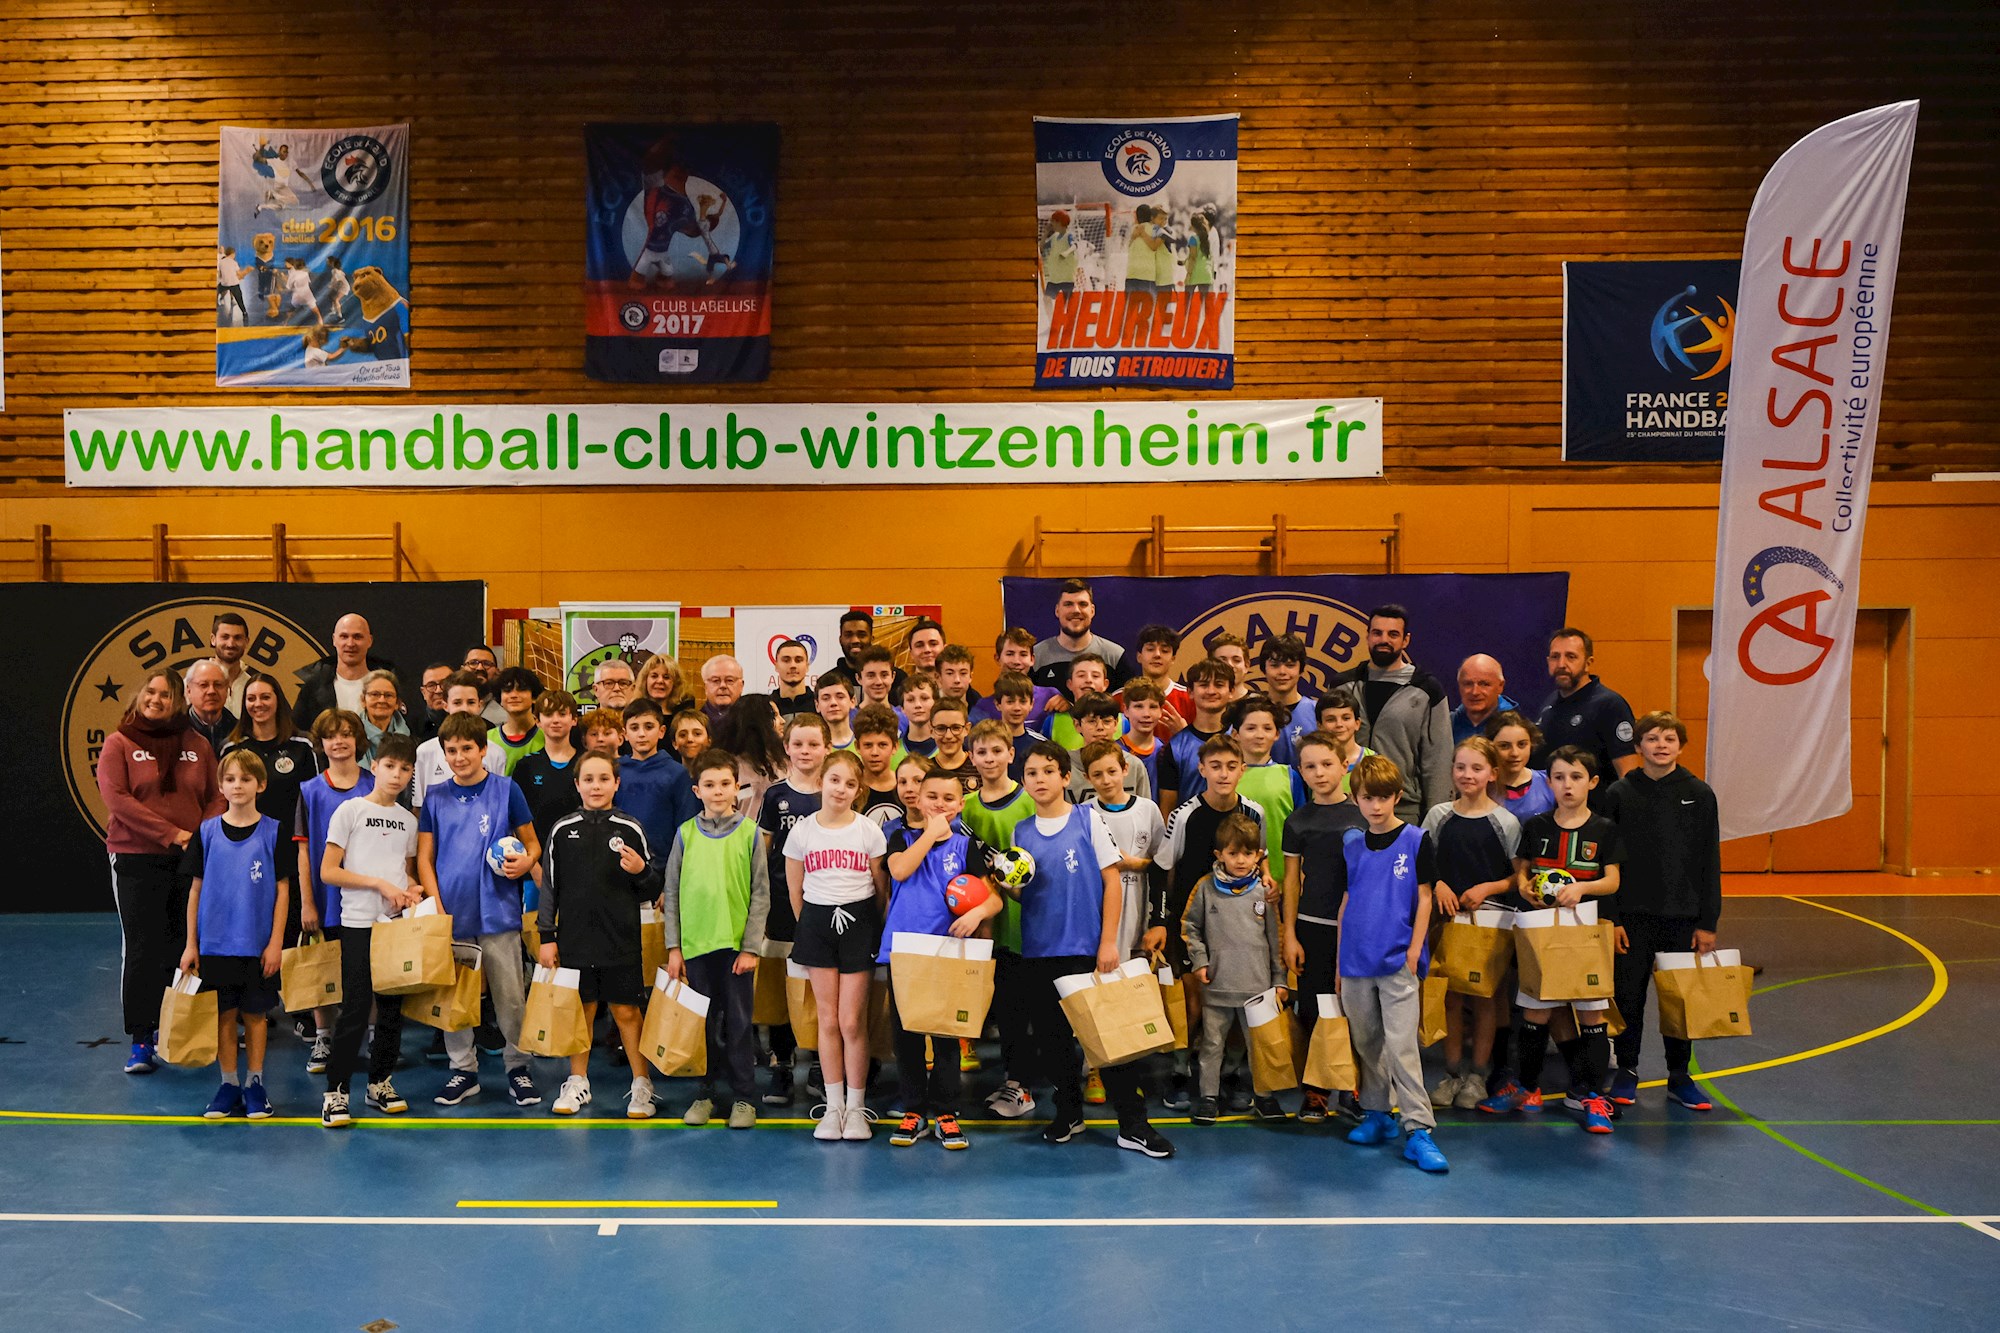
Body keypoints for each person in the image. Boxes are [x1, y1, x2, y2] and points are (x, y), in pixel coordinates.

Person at [1005, 742, 1173, 1158]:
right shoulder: (1020, 832)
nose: (1040, 779)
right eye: (1031, 773)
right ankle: (1068, 1113)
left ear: (1066, 777)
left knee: (1109, 1042)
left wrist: (1107, 942)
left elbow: (1112, 881)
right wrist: (1007, 884)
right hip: (1039, 950)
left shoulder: (1088, 819)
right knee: (1053, 1041)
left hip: (1086, 949)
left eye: (1048, 771)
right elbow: (1024, 894)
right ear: (1023, 781)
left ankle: (1133, 1124)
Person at [1479, 746, 1622, 1132]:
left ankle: (1592, 1096)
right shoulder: (1538, 826)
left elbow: (1613, 880)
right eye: (1558, 777)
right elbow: (1523, 871)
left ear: (1592, 782)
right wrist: (1526, 886)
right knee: (1535, 1011)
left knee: (1591, 1013)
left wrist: (1582, 888)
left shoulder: (1604, 829)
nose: (1567, 785)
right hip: (1540, 929)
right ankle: (1528, 1088)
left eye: (1576, 777)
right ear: (1549, 783)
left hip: (1584, 930)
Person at [98, 668, 222, 1074]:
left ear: (178, 702)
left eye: (166, 695)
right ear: (139, 695)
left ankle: (173, 1032)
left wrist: (198, 837)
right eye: (150, 691)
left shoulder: (197, 744)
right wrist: (173, 834)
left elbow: (215, 797)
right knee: (143, 948)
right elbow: (118, 800)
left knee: (182, 946)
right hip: (136, 857)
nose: (156, 700)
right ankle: (140, 1038)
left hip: (188, 858)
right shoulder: (119, 743)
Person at [1600, 711, 1722, 1112]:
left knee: (1678, 999)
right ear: (1638, 746)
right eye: (1652, 738)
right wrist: (1612, 918)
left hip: (1682, 918)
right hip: (1631, 918)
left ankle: (1679, 1075)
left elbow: (1710, 861)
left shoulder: (1699, 793)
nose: (1661, 745)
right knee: (1628, 997)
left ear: (1681, 746)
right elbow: (1606, 862)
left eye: (1669, 738)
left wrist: (1708, 922)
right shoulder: (1619, 793)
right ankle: (1627, 1069)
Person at [882, 764, 1005, 1149]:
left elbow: (995, 899)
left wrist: (976, 913)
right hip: (905, 952)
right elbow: (900, 871)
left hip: (948, 952)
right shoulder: (900, 837)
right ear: (918, 799)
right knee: (906, 1035)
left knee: (946, 1036)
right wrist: (929, 834)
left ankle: (946, 1111)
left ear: (961, 804)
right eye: (931, 796)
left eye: (948, 798)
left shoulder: (965, 847)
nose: (939, 804)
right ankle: (914, 1109)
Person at [420, 714, 540, 1107]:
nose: (459, 757)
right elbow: (424, 858)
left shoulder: (507, 790)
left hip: (497, 910)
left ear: (483, 749)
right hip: (452, 913)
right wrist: (437, 907)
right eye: (451, 750)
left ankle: (518, 1067)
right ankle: (463, 1070)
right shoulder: (435, 797)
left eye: (467, 748)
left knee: (510, 995)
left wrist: (525, 863)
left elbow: (532, 845)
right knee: (455, 996)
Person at [1337, 754, 1448, 1173]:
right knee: (1367, 1042)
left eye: (1384, 797)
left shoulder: (1417, 840)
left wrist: (1415, 949)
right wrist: (1339, 961)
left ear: (1398, 797)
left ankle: (1418, 1129)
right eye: (1368, 798)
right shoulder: (1351, 844)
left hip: (1398, 957)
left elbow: (1425, 897)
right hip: (1355, 959)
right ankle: (1378, 1113)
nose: (1376, 805)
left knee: (1402, 1046)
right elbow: (1347, 901)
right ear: (1356, 799)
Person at [541, 750, 667, 1120]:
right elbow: (549, 887)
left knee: (626, 1010)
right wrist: (547, 935)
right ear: (577, 784)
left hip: (620, 939)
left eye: (604, 779)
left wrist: (641, 870)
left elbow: (652, 889)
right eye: (589, 779)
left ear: (616, 783)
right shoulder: (562, 830)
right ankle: (577, 1081)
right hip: (575, 940)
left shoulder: (630, 829)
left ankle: (642, 1084)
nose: (596, 786)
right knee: (581, 1009)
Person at [1150, 734, 1266, 1111]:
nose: (1223, 774)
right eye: (1215, 766)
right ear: (1202, 770)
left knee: (1236, 1003)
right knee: (1193, 1004)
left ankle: (1230, 1073)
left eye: (1231, 766)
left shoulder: (1254, 812)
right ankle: (1180, 1071)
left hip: (1239, 928)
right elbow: (1162, 868)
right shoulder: (1185, 814)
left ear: (1243, 770)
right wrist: (1161, 920)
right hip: (1192, 925)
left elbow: (1259, 858)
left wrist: (1267, 878)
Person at [660, 748, 770, 1127]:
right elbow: (671, 893)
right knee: (701, 1025)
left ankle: (743, 1098)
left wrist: (751, 947)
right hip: (695, 948)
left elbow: (760, 894)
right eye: (709, 785)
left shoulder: (750, 833)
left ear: (737, 788)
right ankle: (705, 1093)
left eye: (725, 783)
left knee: (738, 1024)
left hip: (736, 949)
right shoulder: (685, 834)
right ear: (697, 791)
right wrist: (674, 948)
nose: (718, 791)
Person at [316, 733, 422, 1127]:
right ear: (374, 766)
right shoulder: (351, 810)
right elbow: (329, 871)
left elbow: (405, 873)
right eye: (390, 766)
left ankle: (379, 1082)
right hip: (358, 923)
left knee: (392, 1010)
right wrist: (378, 885)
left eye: (405, 769)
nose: (396, 775)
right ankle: (335, 1092)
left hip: (395, 928)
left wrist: (410, 890)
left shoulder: (408, 820)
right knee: (356, 1009)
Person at [179, 748, 289, 1120]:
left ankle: (255, 1084)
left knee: (255, 1015)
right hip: (215, 945)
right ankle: (228, 1084)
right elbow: (195, 890)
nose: (237, 785)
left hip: (257, 946)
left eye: (245, 778)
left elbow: (283, 891)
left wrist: (276, 942)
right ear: (220, 786)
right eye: (230, 779)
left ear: (261, 784)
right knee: (224, 1016)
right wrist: (191, 944)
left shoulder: (274, 831)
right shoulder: (207, 832)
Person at [786, 750, 889, 1142]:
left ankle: (856, 1107)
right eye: (834, 780)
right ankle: (833, 1107)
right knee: (827, 1020)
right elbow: (796, 891)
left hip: (859, 923)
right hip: (817, 923)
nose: (841, 789)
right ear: (821, 782)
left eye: (850, 784)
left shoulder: (869, 831)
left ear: (858, 790)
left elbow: (881, 889)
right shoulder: (802, 832)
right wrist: (812, 927)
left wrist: (870, 928)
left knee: (851, 1021)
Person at [1421, 736, 1522, 1111]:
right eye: (1460, 767)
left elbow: (1518, 877)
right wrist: (1439, 884)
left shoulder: (1505, 821)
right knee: (1450, 997)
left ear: (1492, 774)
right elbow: (1423, 864)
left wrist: (1487, 888)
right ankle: (1451, 1074)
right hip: (1447, 920)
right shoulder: (1438, 816)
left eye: (1477, 768)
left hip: (1490, 923)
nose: (1467, 774)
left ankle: (1478, 1075)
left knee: (1485, 998)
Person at [1281, 730, 1369, 1122]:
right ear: (1300, 772)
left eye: (1327, 764)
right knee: (1315, 1009)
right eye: (1310, 766)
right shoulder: (1298, 821)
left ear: (1345, 765)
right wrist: (1289, 934)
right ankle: (1316, 1091)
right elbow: (1291, 881)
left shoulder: (1363, 815)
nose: (1319, 773)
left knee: (1356, 1008)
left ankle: (1354, 1088)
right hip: (1312, 928)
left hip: (1356, 930)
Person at [1181, 810, 1286, 1124]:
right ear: (1219, 855)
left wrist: (1279, 979)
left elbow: (1276, 938)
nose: (1241, 860)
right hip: (1217, 985)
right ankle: (1208, 1097)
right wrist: (1200, 961)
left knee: (1261, 1045)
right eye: (1233, 853)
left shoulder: (1264, 893)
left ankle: (1264, 1096)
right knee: (1212, 1043)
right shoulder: (1205, 888)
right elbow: (1190, 927)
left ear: (1258, 855)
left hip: (1258, 988)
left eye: (1248, 853)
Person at [962, 718, 1039, 1110]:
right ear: (971, 757)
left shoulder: (1030, 802)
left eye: (997, 751)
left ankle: (1022, 1084)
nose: (989, 758)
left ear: (1011, 753)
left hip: (1026, 924)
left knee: (1027, 1007)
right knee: (1003, 1007)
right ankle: (1013, 1080)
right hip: (986, 923)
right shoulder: (966, 808)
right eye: (981, 752)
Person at [294, 708, 374, 1072]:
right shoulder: (310, 791)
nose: (338, 741)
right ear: (320, 744)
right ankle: (324, 1038)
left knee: (369, 969)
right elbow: (303, 851)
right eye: (330, 736)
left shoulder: (375, 784)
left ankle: (371, 1036)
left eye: (346, 734)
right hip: (326, 898)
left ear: (358, 740)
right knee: (323, 968)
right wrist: (307, 902)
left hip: (368, 898)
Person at [757, 712, 829, 1104]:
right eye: (798, 744)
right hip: (781, 904)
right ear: (786, 747)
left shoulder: (834, 791)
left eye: (813, 744)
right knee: (783, 985)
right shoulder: (775, 796)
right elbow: (761, 852)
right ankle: (781, 1064)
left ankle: (819, 1062)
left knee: (819, 984)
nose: (805, 751)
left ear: (827, 748)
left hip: (823, 903)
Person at [1329, 604, 1453, 822]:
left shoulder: (1427, 690)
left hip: (1403, 808)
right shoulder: (1343, 685)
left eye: (1393, 634)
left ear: (1405, 640)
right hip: (1347, 806)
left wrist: (1437, 818)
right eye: (1377, 633)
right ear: (1367, 636)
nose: (1383, 640)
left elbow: (1438, 760)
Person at [1534, 629, 1642, 803]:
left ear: (1588, 663)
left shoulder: (1610, 705)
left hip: (1599, 813)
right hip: (1557, 811)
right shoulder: (1549, 704)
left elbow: (1627, 774)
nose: (1561, 664)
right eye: (1555, 657)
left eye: (1571, 657)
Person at [222, 673, 320, 841]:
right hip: (245, 840)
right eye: (251, 699)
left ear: (278, 700)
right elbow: (223, 801)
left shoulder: (303, 745)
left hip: (292, 841)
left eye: (265, 697)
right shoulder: (231, 748)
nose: (258, 704)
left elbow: (314, 799)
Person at [615, 700, 700, 864]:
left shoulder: (677, 773)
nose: (641, 734)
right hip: (619, 861)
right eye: (634, 728)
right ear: (624, 733)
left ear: (661, 731)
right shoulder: (614, 771)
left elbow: (686, 826)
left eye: (649, 727)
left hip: (662, 864)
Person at [1230, 696, 1302, 870]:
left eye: (1267, 728)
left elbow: (1302, 830)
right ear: (1235, 734)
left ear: (1277, 734)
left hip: (1283, 874)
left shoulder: (1290, 776)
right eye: (1251, 728)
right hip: (1234, 876)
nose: (1259, 735)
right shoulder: (1225, 778)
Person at [293, 614, 397, 730]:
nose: (350, 644)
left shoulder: (388, 687)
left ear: (370, 641)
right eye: (344, 636)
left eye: (357, 637)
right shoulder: (313, 687)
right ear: (334, 640)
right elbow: (298, 731)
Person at [1031, 578, 1133, 693]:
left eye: (1082, 604)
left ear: (1092, 611)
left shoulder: (1114, 656)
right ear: (1057, 610)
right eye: (1068, 604)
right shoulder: (1036, 657)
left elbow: (1130, 701)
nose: (1076, 610)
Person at [510, 690, 584, 848]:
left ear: (574, 719)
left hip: (581, 850)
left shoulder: (588, 763)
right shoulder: (526, 766)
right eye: (549, 714)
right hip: (538, 853)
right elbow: (517, 818)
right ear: (537, 721)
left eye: (562, 714)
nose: (555, 720)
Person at [1157, 657, 1233, 809]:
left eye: (1219, 685)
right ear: (1190, 692)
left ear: (1231, 691)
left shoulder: (1241, 739)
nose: (1211, 691)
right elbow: (1167, 810)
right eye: (1204, 685)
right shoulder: (1175, 747)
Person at [411, 672, 486, 807]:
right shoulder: (425, 751)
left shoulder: (496, 752)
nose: (464, 709)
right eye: (457, 703)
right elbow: (419, 806)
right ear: (445, 705)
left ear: (479, 705)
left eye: (471, 702)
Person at [715, 694, 787, 822]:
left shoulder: (786, 763)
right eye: (775, 715)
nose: (783, 721)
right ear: (758, 722)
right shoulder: (729, 767)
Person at [1063, 694, 1147, 802]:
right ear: (1077, 725)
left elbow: (1145, 808)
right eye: (1092, 721)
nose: (1100, 727)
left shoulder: (1134, 765)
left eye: (1107, 721)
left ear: (1115, 724)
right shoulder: (1064, 765)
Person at [973, 628, 1063, 725]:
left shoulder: (1051, 697)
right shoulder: (983, 707)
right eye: (1010, 654)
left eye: (1023, 654)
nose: (1016, 661)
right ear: (997, 658)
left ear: (1032, 659)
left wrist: (1069, 707)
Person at [1119, 624, 1192, 733]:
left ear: (1173, 659)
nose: (1157, 655)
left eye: (1165, 650)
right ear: (1139, 656)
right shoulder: (1118, 698)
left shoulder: (1189, 699)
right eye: (1150, 649)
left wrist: (1183, 734)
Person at [1485, 710, 1554, 822]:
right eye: (1504, 746)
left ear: (1531, 744)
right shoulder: (1482, 787)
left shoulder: (1549, 783)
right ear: (1490, 747)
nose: (1515, 753)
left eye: (1522, 744)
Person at [1259, 635, 1318, 760]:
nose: (1282, 672)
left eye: (1290, 665)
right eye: (1274, 665)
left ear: (1301, 670)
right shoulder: (1250, 714)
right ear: (1264, 669)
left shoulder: (1317, 711)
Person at [481, 667, 545, 776]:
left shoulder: (547, 737)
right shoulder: (487, 739)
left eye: (521, 689)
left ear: (534, 697)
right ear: (500, 699)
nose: (514, 695)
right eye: (507, 690)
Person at [1314, 687, 1375, 794]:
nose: (1339, 724)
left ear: (1357, 723)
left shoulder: (1373, 762)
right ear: (1320, 726)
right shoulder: (1313, 764)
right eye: (1331, 719)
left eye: (1346, 718)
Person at [853, 704, 907, 820]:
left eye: (882, 745)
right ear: (857, 747)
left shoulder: (907, 789)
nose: (875, 752)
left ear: (895, 747)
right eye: (868, 745)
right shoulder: (851, 790)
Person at [989, 672, 1046, 780]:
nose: (1017, 708)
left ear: (1031, 704)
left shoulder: (1042, 745)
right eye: (1010, 702)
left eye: (1023, 702)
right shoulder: (986, 742)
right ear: (998, 704)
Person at [1117, 679, 1169, 795]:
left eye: (1153, 707)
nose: (1146, 714)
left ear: (1161, 711)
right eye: (1138, 706)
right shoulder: (1114, 751)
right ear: (1126, 710)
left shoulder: (1165, 751)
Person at [1452, 654, 1517, 744]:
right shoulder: (1445, 726)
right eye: (1468, 684)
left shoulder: (1518, 727)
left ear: (1500, 686)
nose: (1475, 692)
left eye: (1484, 684)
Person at [358, 668, 412, 769]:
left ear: (397, 703)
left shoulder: (412, 738)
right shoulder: (351, 735)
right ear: (363, 700)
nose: (382, 700)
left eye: (388, 695)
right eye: (375, 694)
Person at [183, 658, 237, 756]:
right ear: (188, 690)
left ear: (227, 690)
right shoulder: (174, 731)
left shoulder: (240, 732)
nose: (211, 691)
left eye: (218, 685)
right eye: (203, 685)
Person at [926, 697, 978, 793]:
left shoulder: (980, 768)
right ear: (931, 730)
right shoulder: (925, 770)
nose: (948, 736)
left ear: (967, 729)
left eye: (956, 728)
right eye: (941, 728)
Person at [208, 612, 254, 715]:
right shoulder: (193, 684)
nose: (230, 644)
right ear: (213, 639)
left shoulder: (253, 687)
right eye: (225, 637)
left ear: (246, 642)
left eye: (237, 638)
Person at [460, 645, 508, 726]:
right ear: (462, 669)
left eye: (487, 664)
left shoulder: (505, 720)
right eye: (473, 663)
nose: (480, 668)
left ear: (497, 672)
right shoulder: (446, 710)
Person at [770, 639, 816, 718]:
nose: (793, 665)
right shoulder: (766, 707)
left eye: (798, 660)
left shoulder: (819, 704)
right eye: (786, 660)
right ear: (776, 666)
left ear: (807, 666)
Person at [700, 654, 746, 728]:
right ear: (705, 687)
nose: (723, 686)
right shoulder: (695, 723)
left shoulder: (754, 721)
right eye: (716, 681)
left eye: (729, 680)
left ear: (741, 685)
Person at [815, 672, 858, 750]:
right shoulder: (812, 748)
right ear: (817, 705)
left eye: (840, 697)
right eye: (826, 698)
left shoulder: (864, 744)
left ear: (852, 701)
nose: (833, 703)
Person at [935, 643, 980, 716]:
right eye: (950, 673)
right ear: (938, 677)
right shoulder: (927, 705)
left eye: (963, 673)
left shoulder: (979, 706)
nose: (957, 680)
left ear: (971, 677)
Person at [416, 662, 455, 741]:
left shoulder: (474, 724)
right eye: (431, 685)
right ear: (423, 693)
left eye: (445, 683)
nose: (438, 690)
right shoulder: (413, 730)